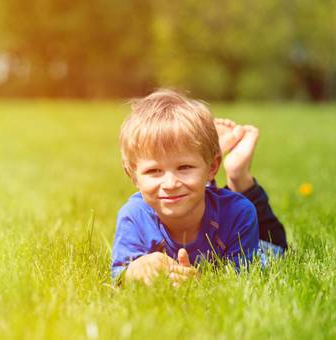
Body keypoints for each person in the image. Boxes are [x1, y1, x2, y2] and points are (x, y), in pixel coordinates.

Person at [111, 89, 287, 286]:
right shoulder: (133, 217)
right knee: (190, 188)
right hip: (199, 189)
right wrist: (135, 270)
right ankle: (200, 154)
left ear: (213, 167)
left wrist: (199, 283)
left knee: (276, 249)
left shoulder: (239, 213)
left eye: (184, 167)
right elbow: (118, 275)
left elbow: (243, 281)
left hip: (260, 242)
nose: (170, 184)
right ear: (133, 175)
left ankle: (238, 174)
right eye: (154, 171)